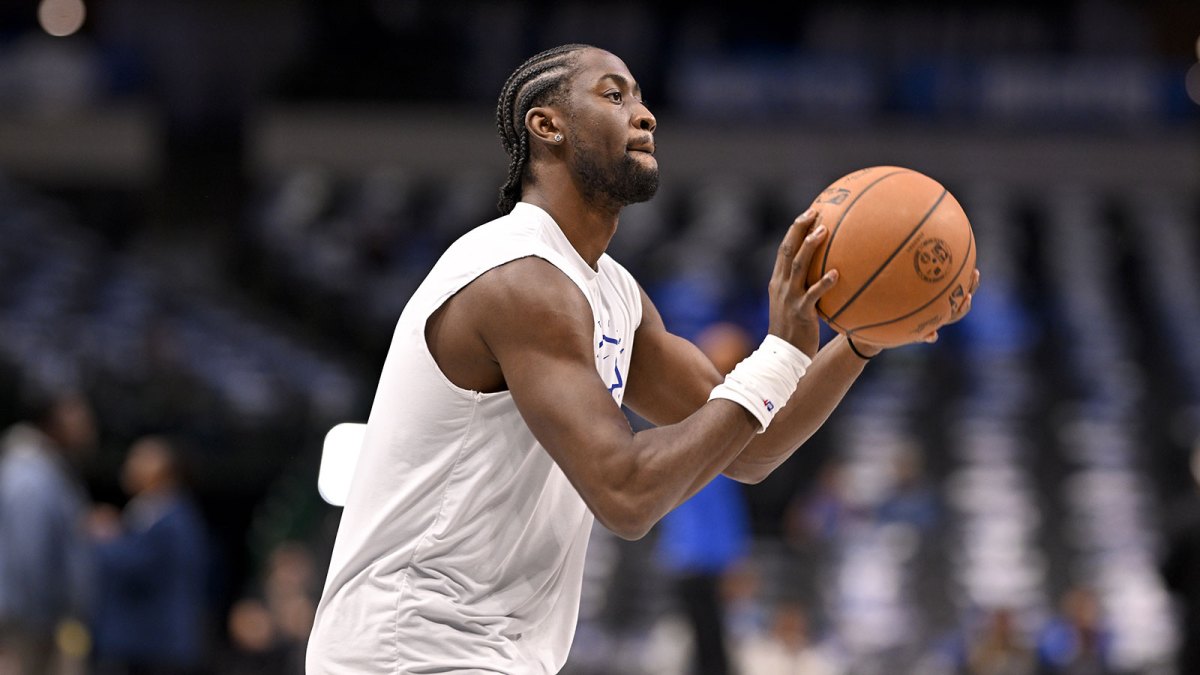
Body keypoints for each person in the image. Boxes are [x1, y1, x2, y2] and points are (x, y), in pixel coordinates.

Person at [306, 43, 979, 674]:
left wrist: (860, 338)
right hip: (408, 649)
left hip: (480, 651)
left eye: (642, 97)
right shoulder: (518, 277)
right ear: (548, 126)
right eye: (614, 94)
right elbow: (625, 494)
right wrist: (777, 353)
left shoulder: (613, 293)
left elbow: (747, 446)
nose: (645, 113)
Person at [88, 435, 210, 675]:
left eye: (139, 459)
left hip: (156, 645)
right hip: (146, 644)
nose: (129, 465)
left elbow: (136, 564)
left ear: (162, 469)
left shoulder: (172, 517)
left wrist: (102, 538)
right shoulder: (150, 511)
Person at [0, 387, 97, 675]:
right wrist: (49, 619)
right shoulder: (29, 475)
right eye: (77, 413)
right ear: (52, 420)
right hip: (30, 624)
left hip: (40, 620)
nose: (87, 423)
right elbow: (29, 557)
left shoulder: (48, 470)